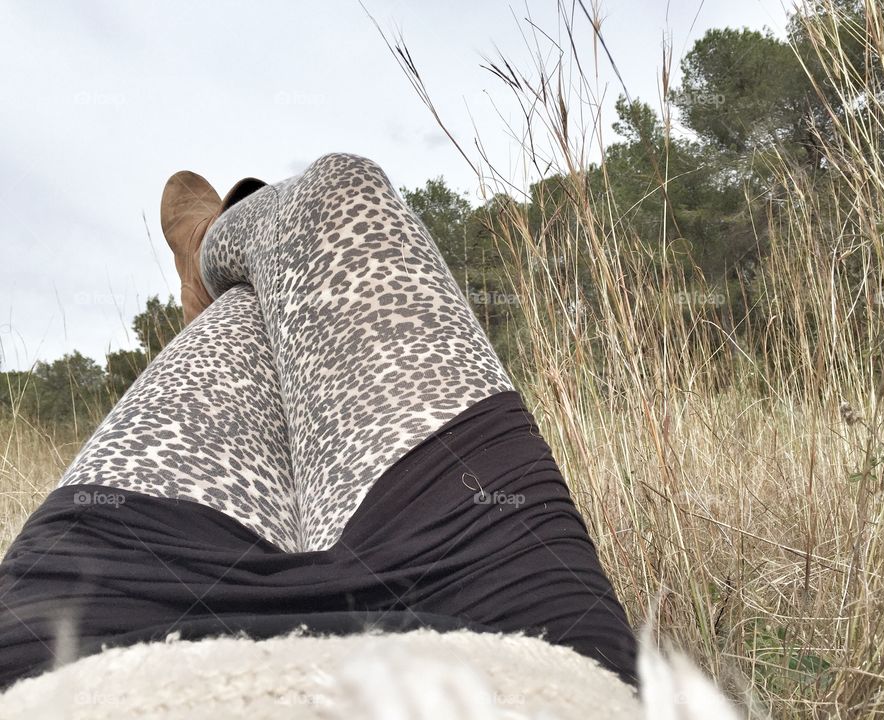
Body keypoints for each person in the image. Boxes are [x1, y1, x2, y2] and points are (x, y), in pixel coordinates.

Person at [0, 154, 637, 696]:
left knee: (255, 303)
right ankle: (227, 262)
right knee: (341, 190)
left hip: (77, 648)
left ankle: (213, 260)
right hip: (513, 643)